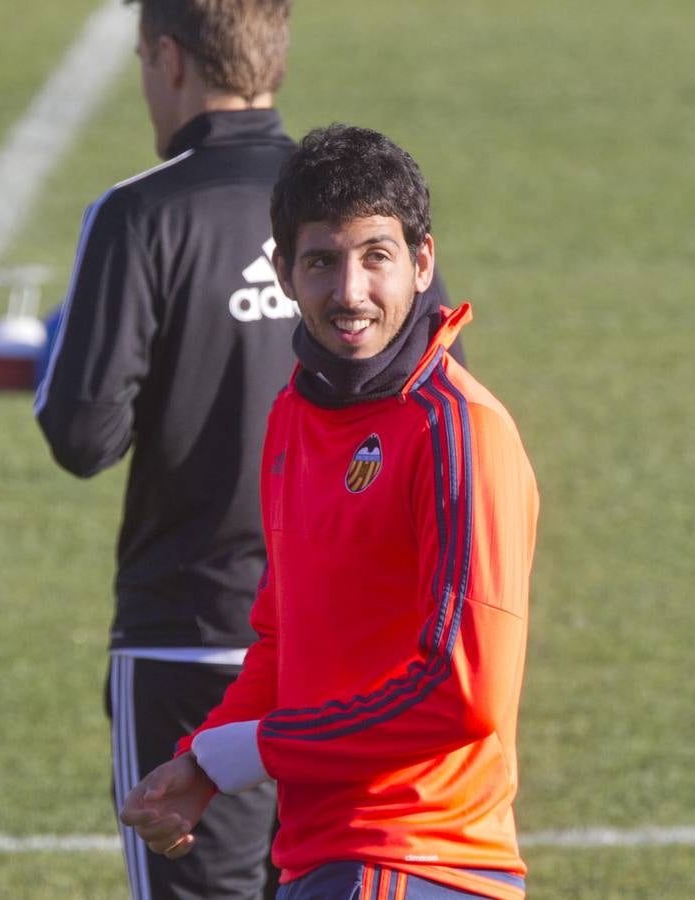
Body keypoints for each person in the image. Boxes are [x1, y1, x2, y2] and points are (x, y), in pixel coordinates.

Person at [119, 124, 539, 900]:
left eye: (376, 257)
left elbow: (462, 692)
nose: (350, 291)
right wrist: (202, 759)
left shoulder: (456, 432)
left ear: (422, 263)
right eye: (322, 261)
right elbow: (285, 642)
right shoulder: (294, 417)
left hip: (414, 858)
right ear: (283, 272)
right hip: (328, 856)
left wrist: (252, 751)